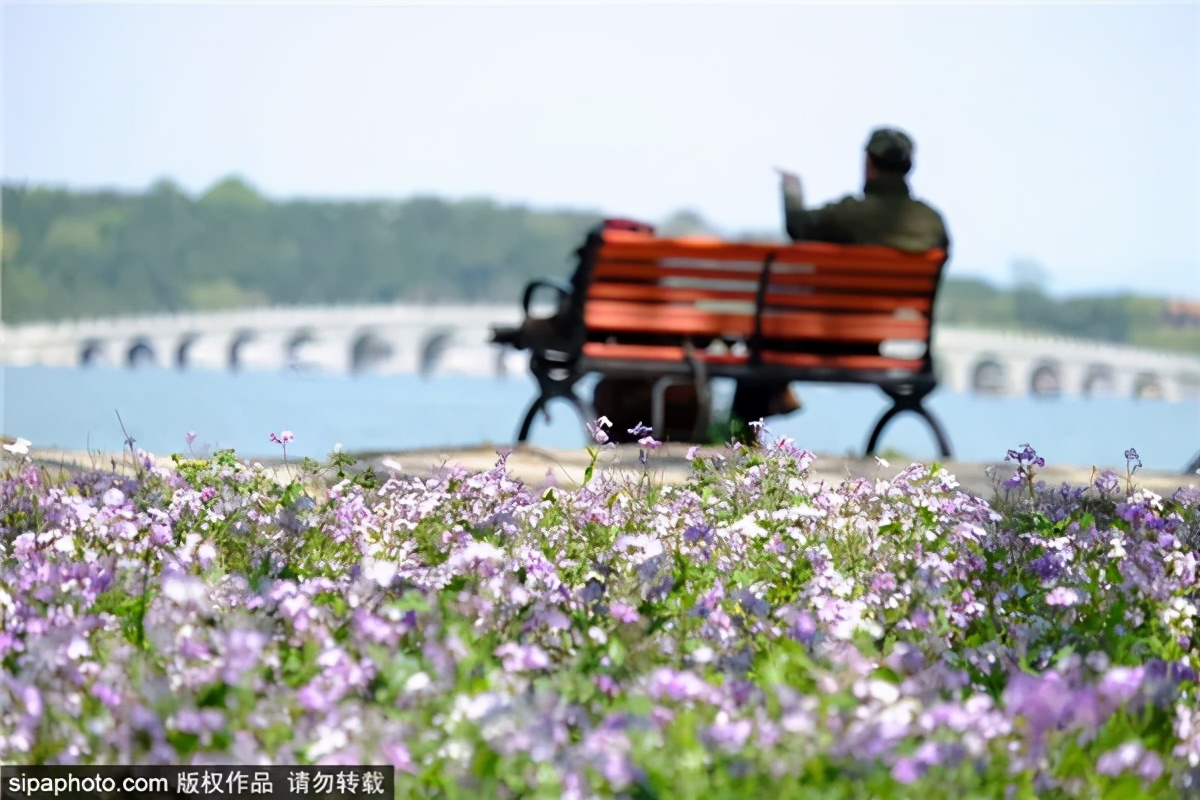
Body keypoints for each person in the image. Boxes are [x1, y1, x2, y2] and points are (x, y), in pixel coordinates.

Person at [730, 126, 951, 428]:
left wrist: (792, 190)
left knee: (765, 333)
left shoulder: (850, 214)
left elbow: (799, 227)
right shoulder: (932, 223)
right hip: (878, 339)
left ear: (868, 163)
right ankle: (770, 401)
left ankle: (745, 429)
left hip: (824, 337)